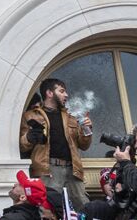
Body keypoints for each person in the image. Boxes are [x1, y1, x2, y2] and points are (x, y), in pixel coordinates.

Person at [19, 77, 91, 209]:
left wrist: (87, 129)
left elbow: (84, 145)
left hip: (72, 170)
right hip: (48, 170)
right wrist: (30, 136)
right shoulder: (30, 116)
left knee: (83, 207)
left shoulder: (71, 116)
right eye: (62, 91)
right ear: (49, 93)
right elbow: (22, 146)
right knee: (48, 208)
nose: (66, 95)